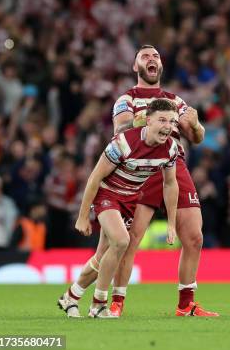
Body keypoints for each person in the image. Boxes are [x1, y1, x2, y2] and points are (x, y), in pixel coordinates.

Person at [110, 45, 217, 317]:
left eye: (155, 56)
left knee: (194, 237)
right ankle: (117, 302)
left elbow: (197, 137)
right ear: (135, 67)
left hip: (174, 165)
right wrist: (151, 120)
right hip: (140, 169)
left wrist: (194, 124)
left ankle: (186, 305)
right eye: (145, 56)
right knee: (131, 239)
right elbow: (121, 129)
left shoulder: (174, 100)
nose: (151, 59)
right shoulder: (127, 99)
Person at [57, 99, 180, 318]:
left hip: (130, 200)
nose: (168, 126)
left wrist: (172, 223)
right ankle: (98, 305)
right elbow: (95, 177)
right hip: (107, 195)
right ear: (148, 121)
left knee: (102, 255)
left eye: (171, 121)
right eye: (162, 120)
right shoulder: (123, 143)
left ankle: (71, 297)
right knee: (122, 241)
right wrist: (83, 216)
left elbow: (170, 184)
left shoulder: (170, 148)